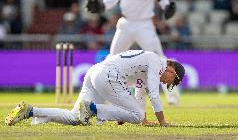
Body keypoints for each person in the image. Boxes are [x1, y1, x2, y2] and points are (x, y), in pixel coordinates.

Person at [85, 0, 179, 105]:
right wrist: (100, 6)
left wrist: (168, 7)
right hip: (126, 24)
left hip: (145, 25)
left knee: (161, 60)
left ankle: (172, 95)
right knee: (112, 58)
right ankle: (99, 93)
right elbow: (111, 0)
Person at [5, 50, 185, 127]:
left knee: (75, 118)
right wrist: (162, 122)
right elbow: (154, 95)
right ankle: (92, 108)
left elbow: (140, 93)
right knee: (135, 115)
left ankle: (30, 111)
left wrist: (136, 117)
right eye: (171, 80)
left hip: (95, 72)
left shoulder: (148, 66)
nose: (167, 83)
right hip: (108, 75)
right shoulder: (156, 61)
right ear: (171, 69)